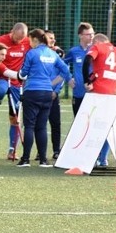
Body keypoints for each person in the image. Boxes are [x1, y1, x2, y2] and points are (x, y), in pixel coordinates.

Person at [17, 29, 70, 168]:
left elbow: (23, 72)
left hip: (32, 91)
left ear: (35, 39)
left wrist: (20, 75)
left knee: (29, 126)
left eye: (30, 40)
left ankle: (26, 159)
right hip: (47, 93)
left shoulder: (32, 53)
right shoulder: (52, 54)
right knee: (41, 127)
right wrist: (58, 82)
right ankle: (43, 160)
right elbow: (65, 70)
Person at [83, 33, 116, 167]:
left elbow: (87, 60)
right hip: (113, 95)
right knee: (107, 127)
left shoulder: (98, 48)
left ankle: (91, 158)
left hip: (97, 94)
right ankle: (103, 158)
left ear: (98, 41)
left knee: (93, 127)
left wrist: (86, 80)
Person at [0, 23, 30, 160]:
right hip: (2, 77)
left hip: (17, 82)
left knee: (15, 118)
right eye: (18, 37)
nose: (20, 41)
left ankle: (12, 149)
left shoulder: (27, 42)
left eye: (23, 38)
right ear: (12, 32)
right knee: (1, 90)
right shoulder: (0, 41)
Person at [63, 22, 95, 116]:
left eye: (93, 34)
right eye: (88, 34)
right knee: (78, 122)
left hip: (93, 92)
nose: (91, 36)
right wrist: (68, 78)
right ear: (80, 36)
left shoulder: (96, 49)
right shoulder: (74, 51)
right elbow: (62, 64)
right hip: (78, 93)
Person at [44, 30, 65, 159]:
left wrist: (56, 91)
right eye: (50, 38)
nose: (53, 40)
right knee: (39, 124)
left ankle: (56, 150)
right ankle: (40, 151)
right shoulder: (37, 53)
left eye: (54, 38)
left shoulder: (58, 54)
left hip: (52, 95)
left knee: (55, 123)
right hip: (40, 92)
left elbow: (63, 73)